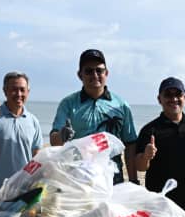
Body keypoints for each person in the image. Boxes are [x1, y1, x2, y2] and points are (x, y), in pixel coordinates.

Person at [49, 49, 137, 184]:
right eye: (89, 71)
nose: (95, 75)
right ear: (80, 75)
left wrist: (133, 180)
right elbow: (54, 141)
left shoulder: (121, 105)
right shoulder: (68, 104)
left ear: (106, 73)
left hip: (113, 180)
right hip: (78, 180)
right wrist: (62, 135)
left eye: (99, 70)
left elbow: (130, 144)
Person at [133, 77, 185, 217]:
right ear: (159, 99)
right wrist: (146, 156)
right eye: (168, 95)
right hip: (160, 205)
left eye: (178, 94)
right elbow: (140, 166)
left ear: (184, 98)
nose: (174, 99)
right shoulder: (150, 129)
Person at [0, 71, 42, 186]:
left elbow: (36, 155)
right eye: (14, 89)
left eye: (22, 90)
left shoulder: (33, 121)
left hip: (23, 186)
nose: (19, 94)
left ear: (28, 92)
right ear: (5, 91)